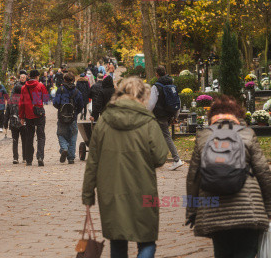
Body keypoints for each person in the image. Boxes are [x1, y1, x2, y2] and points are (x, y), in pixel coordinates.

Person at [82, 77, 168, 258]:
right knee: (147, 241)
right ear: (142, 96)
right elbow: (160, 157)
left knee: (118, 241)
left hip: (111, 191)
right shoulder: (148, 121)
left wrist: (88, 194)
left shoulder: (104, 121)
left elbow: (93, 162)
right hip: (143, 189)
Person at [186, 95, 271, 258]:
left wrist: (192, 211)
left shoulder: (204, 136)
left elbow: (193, 178)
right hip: (249, 211)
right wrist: (268, 208)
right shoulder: (247, 134)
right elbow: (263, 173)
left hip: (215, 214)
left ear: (212, 116)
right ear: (237, 115)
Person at [147, 65, 183, 170]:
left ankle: (176, 159)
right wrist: (175, 116)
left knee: (162, 136)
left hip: (159, 116)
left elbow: (151, 104)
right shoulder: (172, 85)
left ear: (157, 74)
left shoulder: (156, 87)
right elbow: (178, 102)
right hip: (168, 116)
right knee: (158, 136)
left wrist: (146, 113)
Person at [19, 69, 48, 166]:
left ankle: (28, 159)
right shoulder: (40, 85)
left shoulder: (24, 88)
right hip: (39, 113)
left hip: (28, 115)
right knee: (41, 136)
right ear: (36, 77)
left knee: (29, 137)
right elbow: (45, 98)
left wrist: (21, 117)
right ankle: (40, 157)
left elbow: (21, 103)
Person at [53, 72, 83, 164]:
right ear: (73, 80)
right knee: (73, 137)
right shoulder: (77, 91)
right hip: (72, 117)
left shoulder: (60, 90)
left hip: (62, 117)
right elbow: (81, 105)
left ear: (64, 80)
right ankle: (71, 158)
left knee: (61, 134)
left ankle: (64, 148)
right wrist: (75, 113)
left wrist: (62, 109)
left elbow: (55, 103)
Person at [4, 85, 27, 164]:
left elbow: (7, 113)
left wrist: (5, 124)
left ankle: (15, 158)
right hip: (23, 123)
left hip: (13, 123)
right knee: (24, 140)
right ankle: (24, 157)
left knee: (15, 140)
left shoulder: (10, 100)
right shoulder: (24, 99)